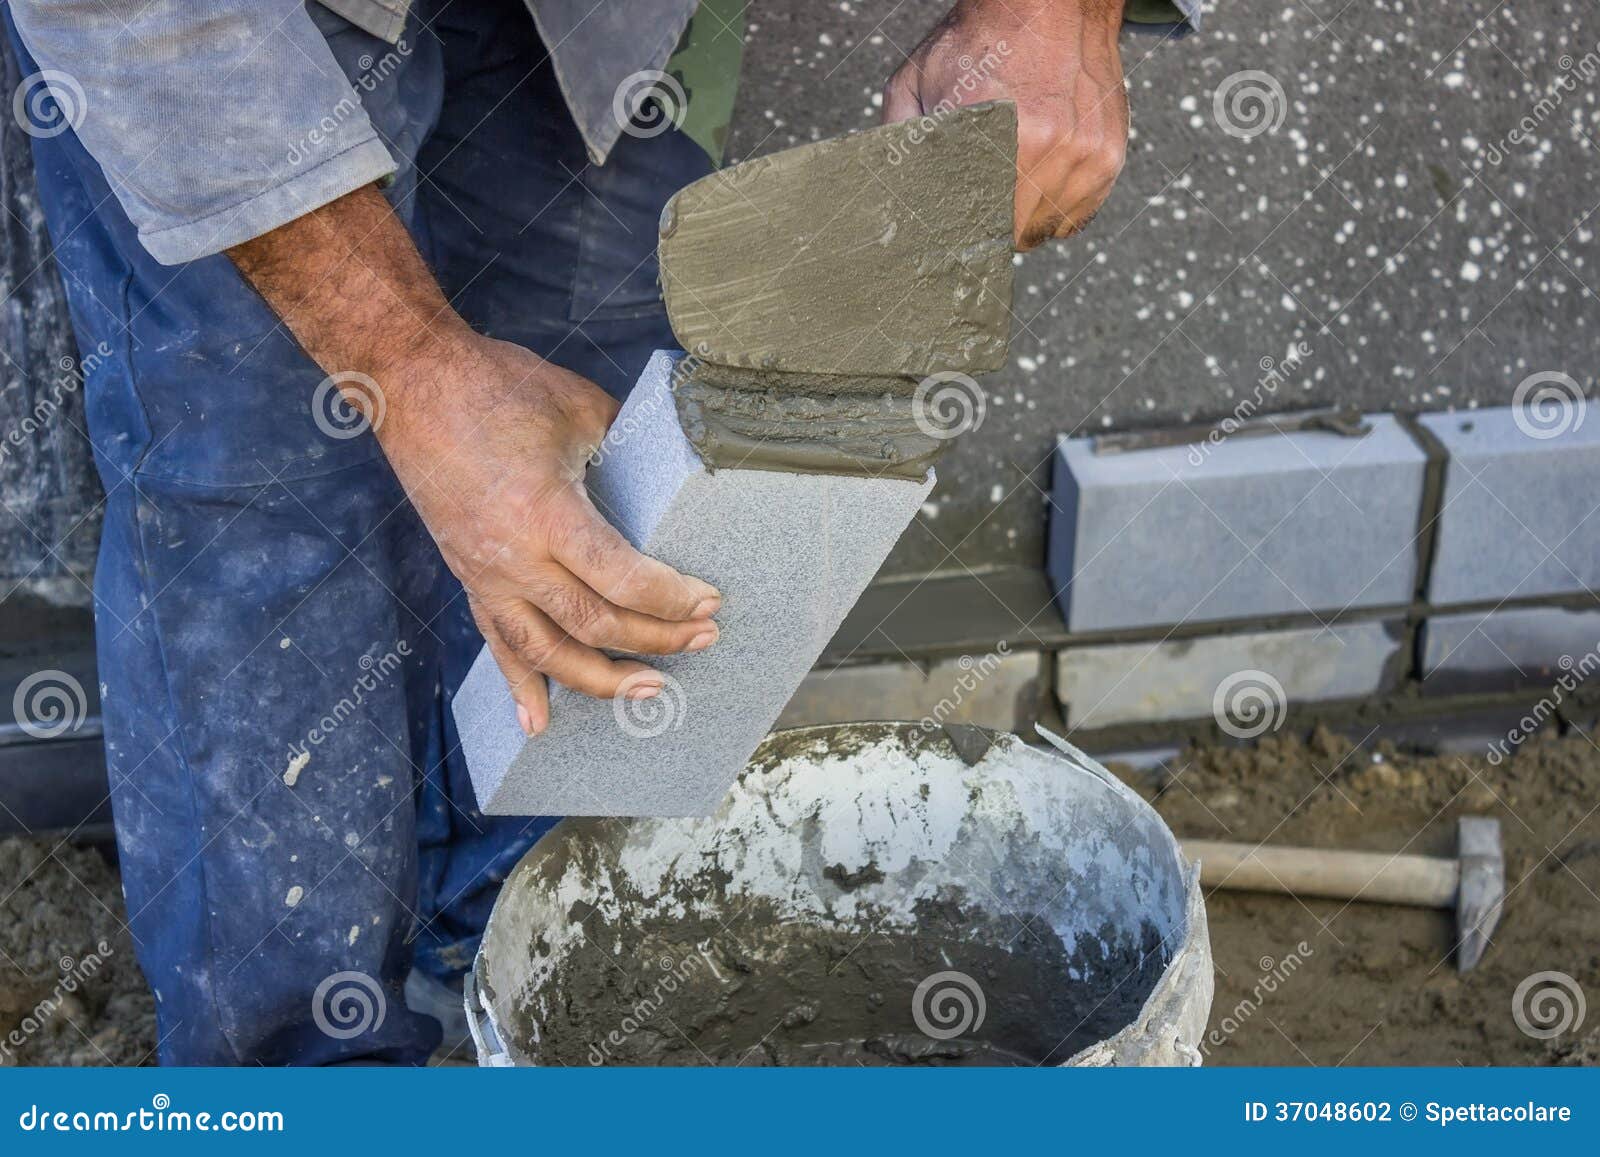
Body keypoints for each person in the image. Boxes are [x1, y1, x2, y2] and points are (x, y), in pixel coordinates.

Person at [4, 0, 1201, 1064]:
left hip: (591, 21)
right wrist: (411, 372)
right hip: (214, 30)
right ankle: (302, 1069)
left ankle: (523, 977)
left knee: (605, 454)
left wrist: (1059, 8)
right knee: (265, 489)